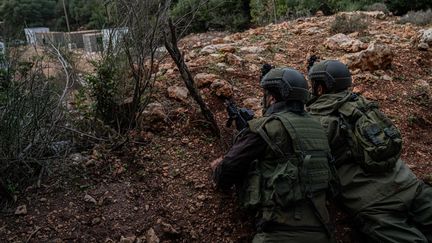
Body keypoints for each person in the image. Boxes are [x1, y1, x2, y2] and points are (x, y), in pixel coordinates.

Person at [307, 59, 432, 243]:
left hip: (375, 204)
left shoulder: (317, 121)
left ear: (319, 89)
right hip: (408, 184)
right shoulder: (365, 104)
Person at [211, 67, 336, 243]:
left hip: (279, 231)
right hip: (322, 230)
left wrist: (217, 168)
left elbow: (228, 170)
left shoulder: (266, 127)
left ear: (272, 98)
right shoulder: (319, 128)